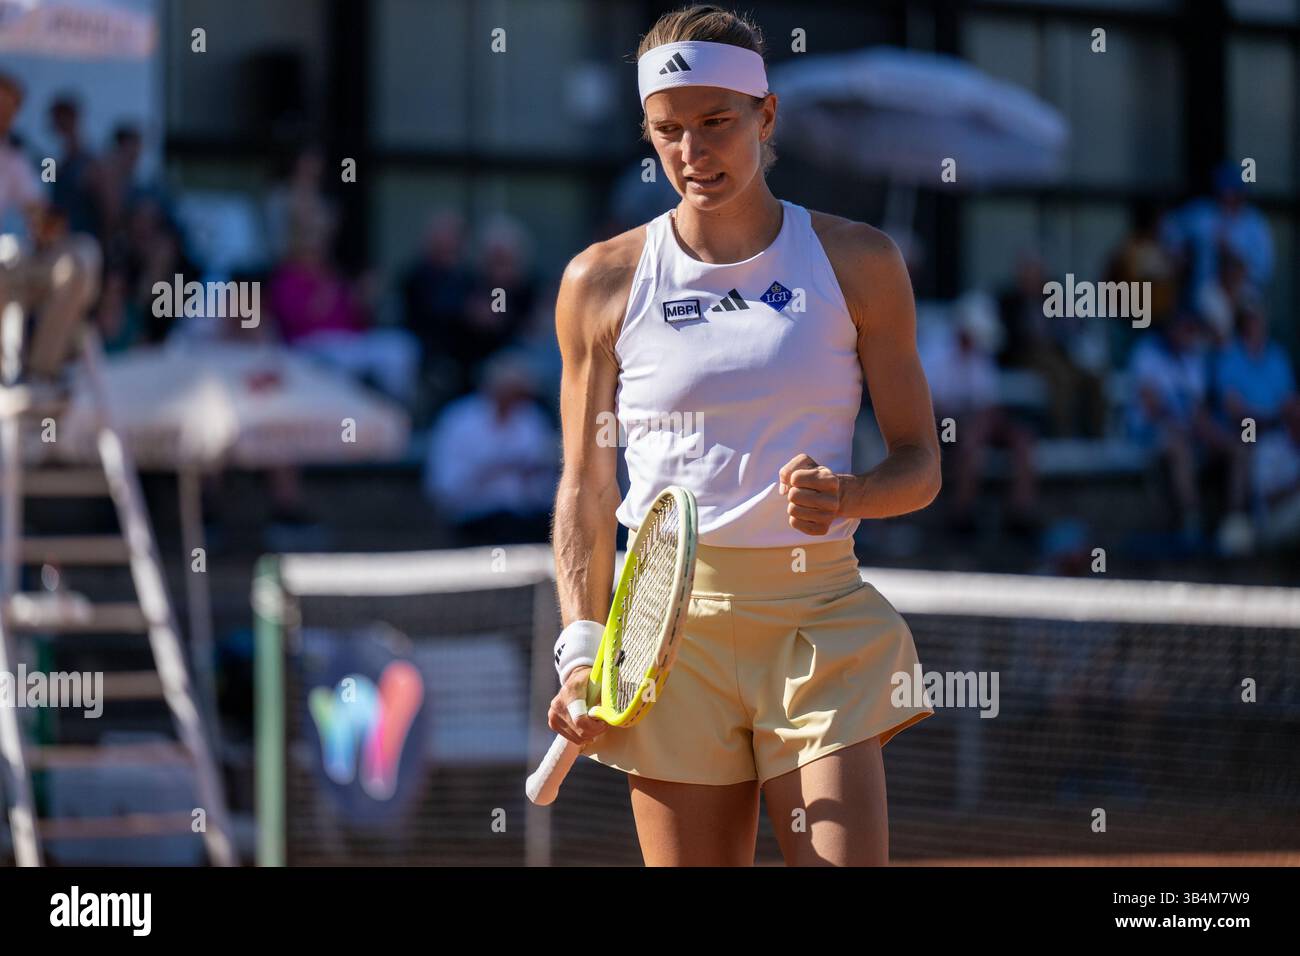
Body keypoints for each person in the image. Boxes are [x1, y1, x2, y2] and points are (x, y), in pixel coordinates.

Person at [542, 4, 938, 867]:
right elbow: (585, 486)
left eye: (716, 123)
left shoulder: (861, 260)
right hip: (662, 640)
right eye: (668, 131)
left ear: (766, 116)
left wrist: (853, 496)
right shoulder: (598, 281)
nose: (692, 152)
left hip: (818, 620)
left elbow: (921, 464)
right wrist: (580, 651)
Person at [923, 291, 1039, 534]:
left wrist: (981, 420)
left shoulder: (980, 355)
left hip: (976, 422)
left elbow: (988, 402)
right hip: (941, 425)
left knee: (1023, 439)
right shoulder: (934, 351)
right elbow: (927, 405)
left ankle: (1020, 515)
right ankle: (961, 515)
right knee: (970, 441)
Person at [422, 350, 558, 545]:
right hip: (473, 519)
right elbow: (444, 487)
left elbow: (545, 482)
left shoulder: (531, 419)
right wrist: (491, 471)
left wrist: (531, 475)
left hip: (527, 519)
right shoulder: (457, 420)